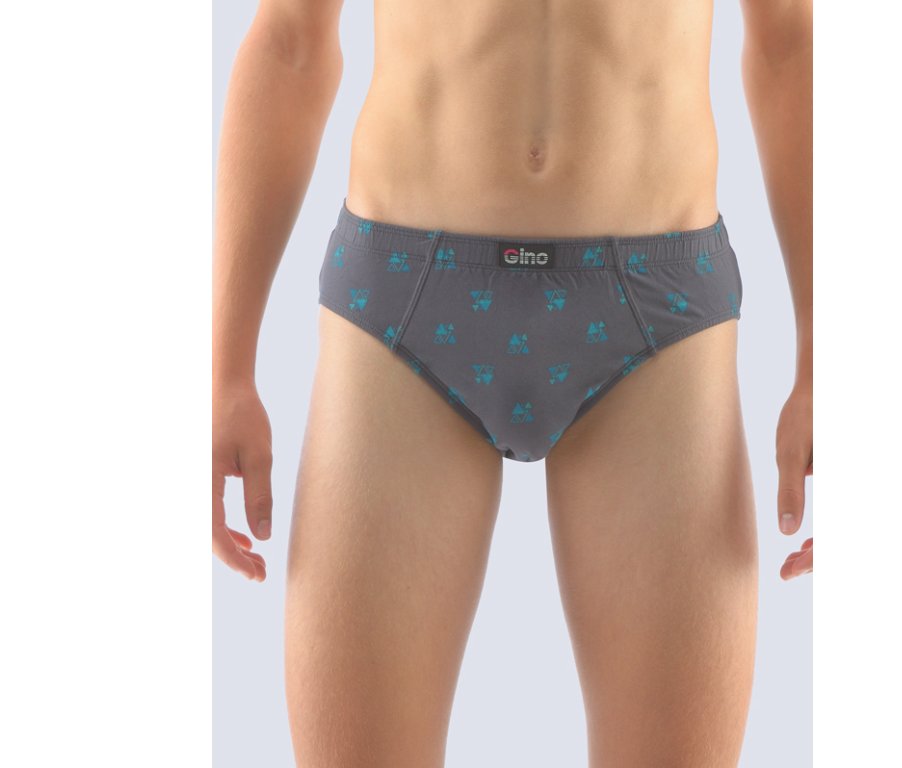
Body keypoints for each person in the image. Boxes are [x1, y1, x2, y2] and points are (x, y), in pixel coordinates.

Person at [212, 0, 812, 764]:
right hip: (404, 292)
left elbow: (788, 47)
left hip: (658, 309)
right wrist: (226, 370)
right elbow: (291, 42)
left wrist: (822, 357)